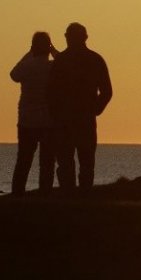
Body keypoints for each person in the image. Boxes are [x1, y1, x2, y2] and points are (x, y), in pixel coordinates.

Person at [48, 22, 112, 191]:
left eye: (68, 36)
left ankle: (72, 196)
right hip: (80, 119)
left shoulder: (62, 61)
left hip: (69, 120)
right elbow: (107, 92)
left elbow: (50, 92)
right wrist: (95, 109)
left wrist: (55, 113)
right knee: (84, 163)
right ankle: (83, 196)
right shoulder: (95, 59)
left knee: (72, 163)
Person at [9, 32, 58, 196]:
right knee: (47, 163)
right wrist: (53, 51)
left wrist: (29, 53)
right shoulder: (52, 67)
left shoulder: (26, 66)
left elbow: (13, 74)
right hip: (48, 121)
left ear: (33, 47)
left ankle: (17, 195)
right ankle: (45, 195)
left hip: (27, 121)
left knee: (23, 161)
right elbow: (65, 64)